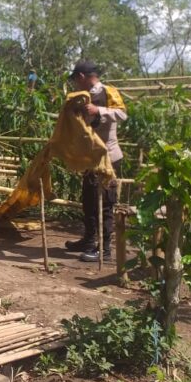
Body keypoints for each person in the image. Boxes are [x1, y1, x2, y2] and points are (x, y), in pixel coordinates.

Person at [64, 60, 128, 262]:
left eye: (75, 80)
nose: (75, 85)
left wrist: (98, 110)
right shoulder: (80, 97)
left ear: (81, 77)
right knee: (89, 200)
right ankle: (89, 241)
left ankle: (105, 249)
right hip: (90, 158)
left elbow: (122, 114)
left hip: (108, 156)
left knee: (106, 202)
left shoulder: (108, 91)